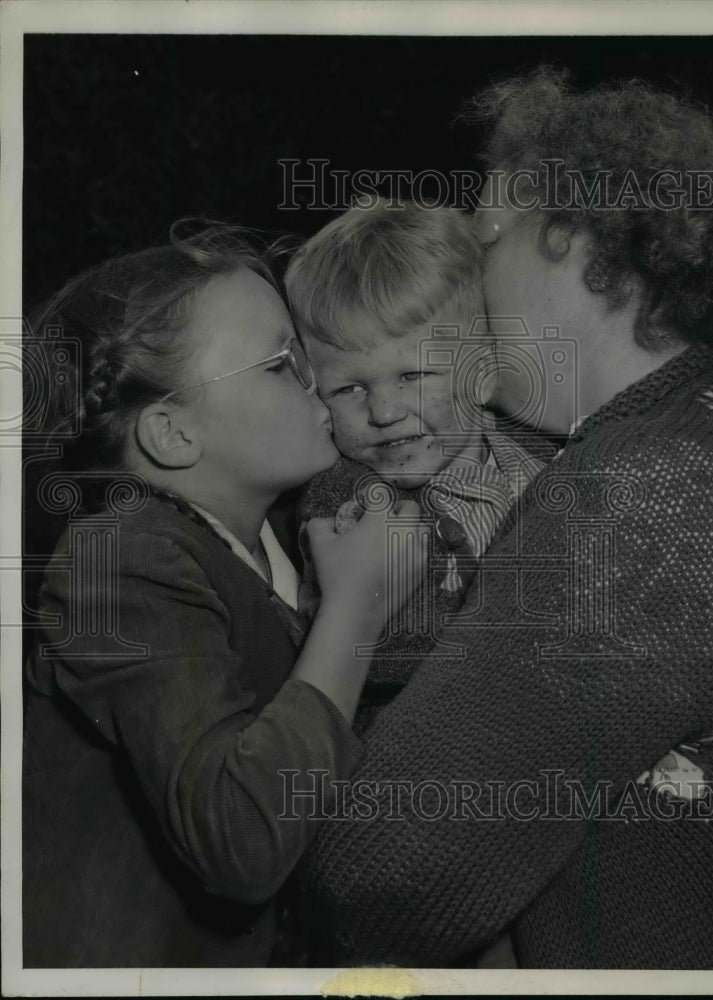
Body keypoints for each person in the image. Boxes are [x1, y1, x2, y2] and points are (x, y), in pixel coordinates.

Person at [300, 68, 713, 969]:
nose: (473, 275)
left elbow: (380, 877)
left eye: (486, 236)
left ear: (566, 235)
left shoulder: (636, 497)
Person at [22, 224, 427, 967]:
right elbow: (241, 839)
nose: (316, 382)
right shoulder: (118, 560)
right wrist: (358, 609)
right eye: (278, 364)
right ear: (172, 434)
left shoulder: (285, 539)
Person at [285, 201, 551, 730]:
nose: (383, 412)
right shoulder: (352, 508)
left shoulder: (545, 450)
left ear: (486, 366)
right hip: (432, 748)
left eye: (413, 375)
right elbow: (379, 653)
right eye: (349, 388)